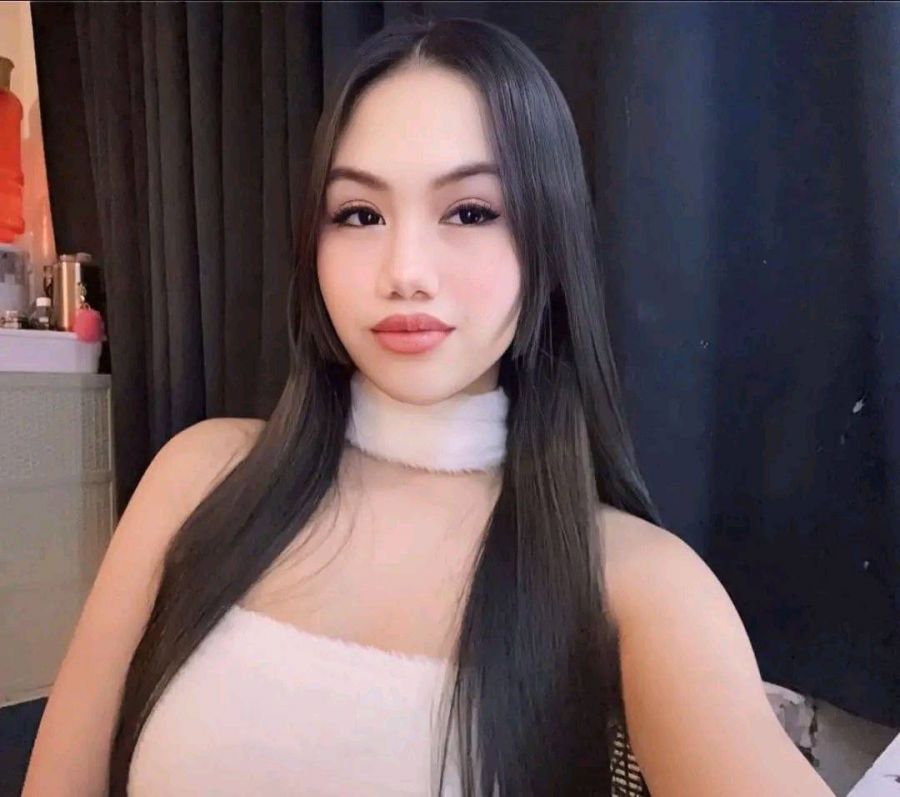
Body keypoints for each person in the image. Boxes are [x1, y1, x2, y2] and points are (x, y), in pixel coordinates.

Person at [23, 15, 835, 797]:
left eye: (471, 212)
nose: (405, 271)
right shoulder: (200, 478)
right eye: (360, 214)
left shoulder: (633, 581)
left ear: (548, 240)